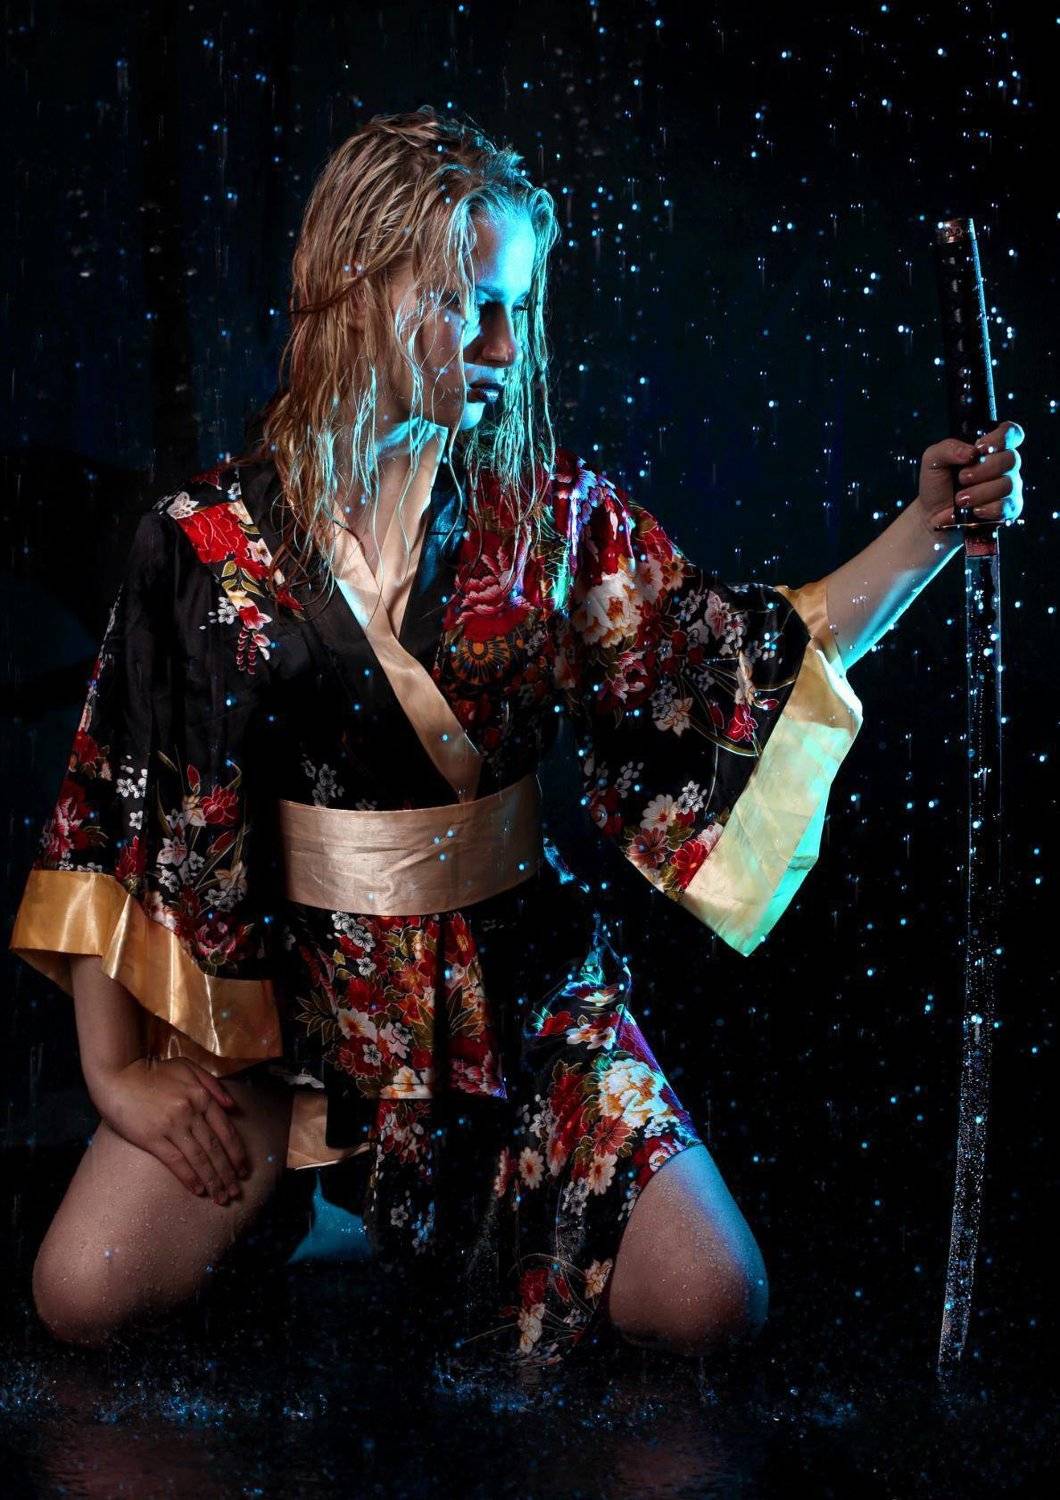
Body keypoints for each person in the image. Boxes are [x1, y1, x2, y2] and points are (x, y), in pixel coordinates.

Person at [11, 106, 1025, 1374]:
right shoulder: (200, 540)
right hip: (291, 1013)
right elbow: (113, 807)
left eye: (517, 311)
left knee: (712, 1297)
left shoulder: (548, 521)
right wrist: (115, 1075)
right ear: (358, 282)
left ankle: (450, 1217)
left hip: (512, 993)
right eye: (467, 305)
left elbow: (727, 656)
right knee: (82, 1292)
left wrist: (927, 533)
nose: (503, 346)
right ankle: (309, 1203)